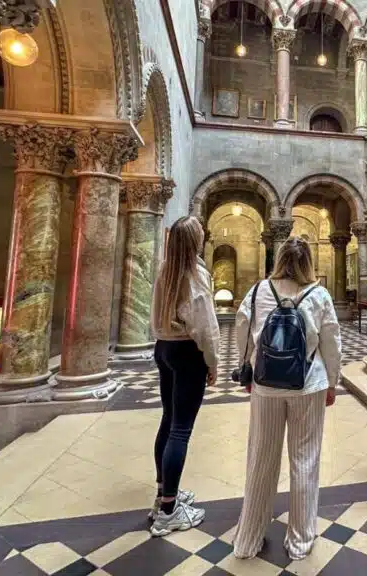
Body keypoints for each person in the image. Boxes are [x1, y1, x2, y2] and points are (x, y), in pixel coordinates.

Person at [232, 238, 342, 561]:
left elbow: (243, 328)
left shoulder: (258, 291)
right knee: (305, 460)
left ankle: (248, 538)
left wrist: (248, 368)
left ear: (279, 259)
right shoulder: (319, 295)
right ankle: (300, 540)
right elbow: (331, 342)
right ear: (308, 262)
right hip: (308, 385)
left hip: (266, 386)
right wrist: (332, 382)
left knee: (260, 460)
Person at [148, 216, 220, 537]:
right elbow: (205, 326)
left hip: (164, 347)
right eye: (201, 234)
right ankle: (168, 511)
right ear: (194, 241)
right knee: (180, 429)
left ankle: (164, 493)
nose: (204, 236)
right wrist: (213, 362)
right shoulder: (195, 274)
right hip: (187, 352)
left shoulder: (166, 269)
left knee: (168, 420)